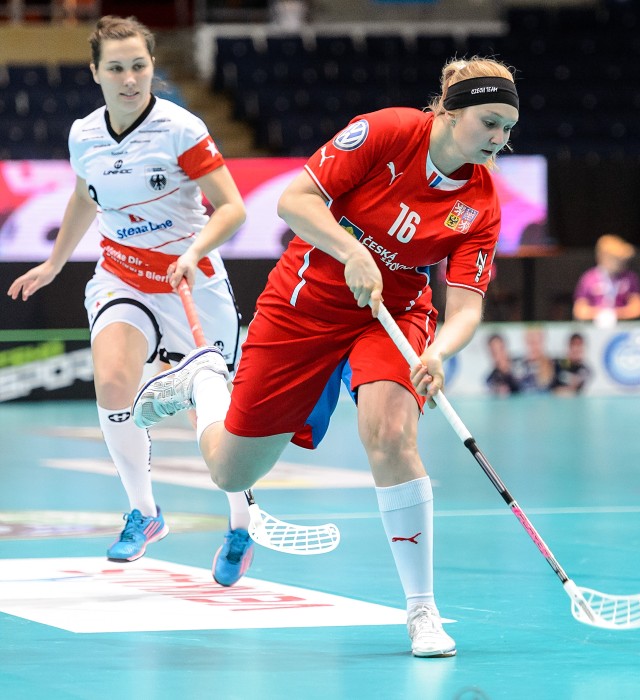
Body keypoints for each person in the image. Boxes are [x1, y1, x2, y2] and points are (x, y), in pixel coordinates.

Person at [129, 56, 519, 658]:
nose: (499, 139)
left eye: (507, 129)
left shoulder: (483, 203)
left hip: (393, 315)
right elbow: (294, 201)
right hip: (303, 304)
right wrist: (349, 250)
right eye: (490, 122)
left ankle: (421, 611)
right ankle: (205, 381)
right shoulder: (387, 132)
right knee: (232, 473)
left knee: (390, 433)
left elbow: (466, 307)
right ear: (447, 110)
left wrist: (438, 352)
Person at [5, 16, 254, 586]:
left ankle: (240, 523)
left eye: (138, 65)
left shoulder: (181, 130)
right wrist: (55, 262)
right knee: (113, 379)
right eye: (115, 68)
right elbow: (84, 198)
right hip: (123, 275)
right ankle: (144, 513)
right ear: (95, 72)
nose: (129, 78)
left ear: (152, 68)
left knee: (213, 417)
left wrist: (195, 250)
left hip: (193, 280)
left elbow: (234, 208)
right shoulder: (84, 134)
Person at [572, 233, 640, 327]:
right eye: (616, 259)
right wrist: (600, 314)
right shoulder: (589, 278)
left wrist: (614, 314)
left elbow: (637, 308)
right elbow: (579, 311)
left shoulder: (630, 277)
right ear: (603, 257)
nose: (621, 262)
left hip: (622, 329)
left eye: (622, 259)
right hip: (595, 329)